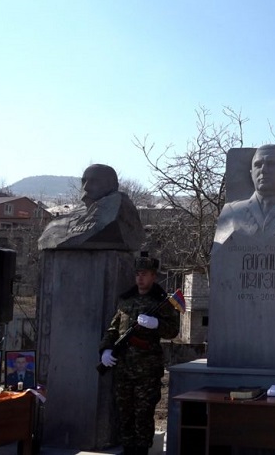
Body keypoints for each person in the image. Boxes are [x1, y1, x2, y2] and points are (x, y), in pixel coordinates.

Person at [99, 254, 180, 455]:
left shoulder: (161, 302)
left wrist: (157, 324)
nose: (140, 278)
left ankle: (141, 450)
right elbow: (113, 329)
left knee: (143, 413)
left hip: (147, 369)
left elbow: (173, 331)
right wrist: (106, 350)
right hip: (124, 368)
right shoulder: (126, 300)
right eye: (137, 274)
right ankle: (128, 449)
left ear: (153, 276)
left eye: (144, 274)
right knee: (125, 412)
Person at [213, 144, 275, 243]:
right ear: (251, 174)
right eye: (258, 165)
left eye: (271, 164)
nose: (263, 170)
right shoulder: (232, 212)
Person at [38, 163, 143, 250]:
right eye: (84, 181)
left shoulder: (118, 209)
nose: (86, 187)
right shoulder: (76, 212)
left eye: (94, 181)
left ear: (112, 185)